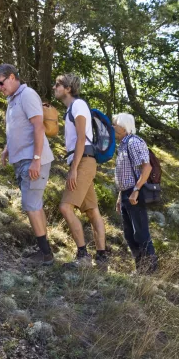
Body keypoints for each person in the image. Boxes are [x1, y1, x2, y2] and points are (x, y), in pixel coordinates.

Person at [0, 64, 54, 265]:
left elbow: (38, 127)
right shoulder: (13, 100)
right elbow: (17, 128)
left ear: (11, 77)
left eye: (1, 83)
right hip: (22, 159)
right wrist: (7, 148)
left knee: (31, 205)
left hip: (32, 159)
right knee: (34, 204)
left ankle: (45, 255)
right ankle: (45, 250)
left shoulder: (27, 95)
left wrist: (36, 160)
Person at [53, 74, 108, 268]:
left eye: (58, 85)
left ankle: (83, 256)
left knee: (65, 207)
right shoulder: (72, 108)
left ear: (68, 88)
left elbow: (81, 138)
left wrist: (74, 169)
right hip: (83, 160)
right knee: (92, 211)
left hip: (83, 161)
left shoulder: (78, 105)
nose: (54, 87)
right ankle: (102, 258)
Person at [113, 113, 157, 273]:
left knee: (141, 233)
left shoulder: (134, 142)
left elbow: (147, 168)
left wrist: (136, 190)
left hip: (135, 193)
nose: (112, 127)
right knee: (129, 235)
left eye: (115, 124)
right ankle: (140, 269)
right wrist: (120, 196)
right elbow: (124, 174)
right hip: (125, 193)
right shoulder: (123, 144)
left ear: (123, 127)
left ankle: (150, 271)